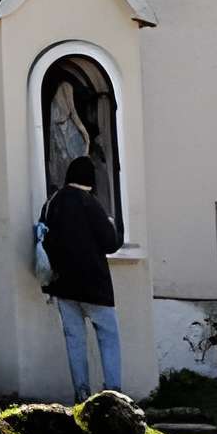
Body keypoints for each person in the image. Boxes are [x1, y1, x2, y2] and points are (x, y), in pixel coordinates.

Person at [40, 154, 123, 400]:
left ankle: (81, 392)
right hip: (94, 286)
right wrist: (112, 224)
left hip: (63, 285)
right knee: (108, 336)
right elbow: (110, 243)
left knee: (74, 340)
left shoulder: (52, 202)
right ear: (90, 180)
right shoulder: (90, 203)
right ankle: (113, 393)